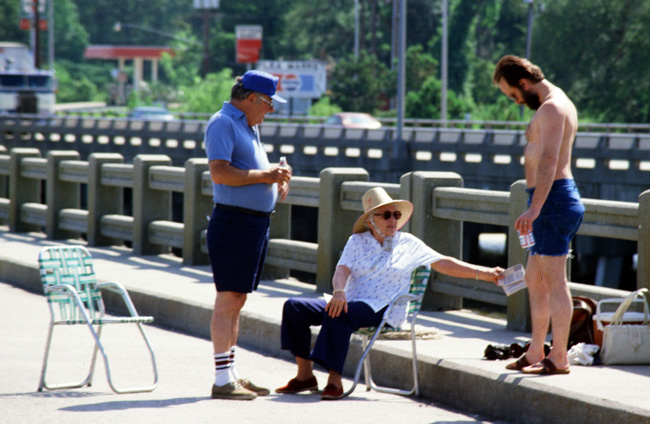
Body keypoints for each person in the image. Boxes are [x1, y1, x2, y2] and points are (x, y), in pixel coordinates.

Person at [275, 187, 504, 400]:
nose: (393, 220)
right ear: (370, 220)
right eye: (386, 215)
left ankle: (334, 380)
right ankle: (305, 376)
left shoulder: (409, 243)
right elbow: (341, 270)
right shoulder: (356, 241)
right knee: (294, 306)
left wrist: (484, 273)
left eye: (395, 214)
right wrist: (338, 291)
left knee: (340, 313)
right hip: (352, 301)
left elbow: (444, 262)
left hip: (385, 307)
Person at [492, 55, 585, 375]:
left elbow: (548, 161)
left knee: (555, 281)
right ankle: (535, 350)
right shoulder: (556, 103)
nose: (516, 101)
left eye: (513, 95)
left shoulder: (552, 107)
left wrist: (535, 208)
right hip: (548, 198)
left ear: (523, 83)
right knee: (534, 277)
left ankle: (559, 356)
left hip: (552, 200)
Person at [204, 70, 292, 400]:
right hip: (234, 223)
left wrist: (276, 178)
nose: (270, 110)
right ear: (252, 98)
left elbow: (251, 172)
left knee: (237, 300)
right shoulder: (223, 123)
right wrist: (266, 175)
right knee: (228, 299)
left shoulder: (249, 125)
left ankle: (231, 373)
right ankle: (222, 379)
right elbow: (220, 172)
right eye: (269, 103)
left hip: (253, 223)